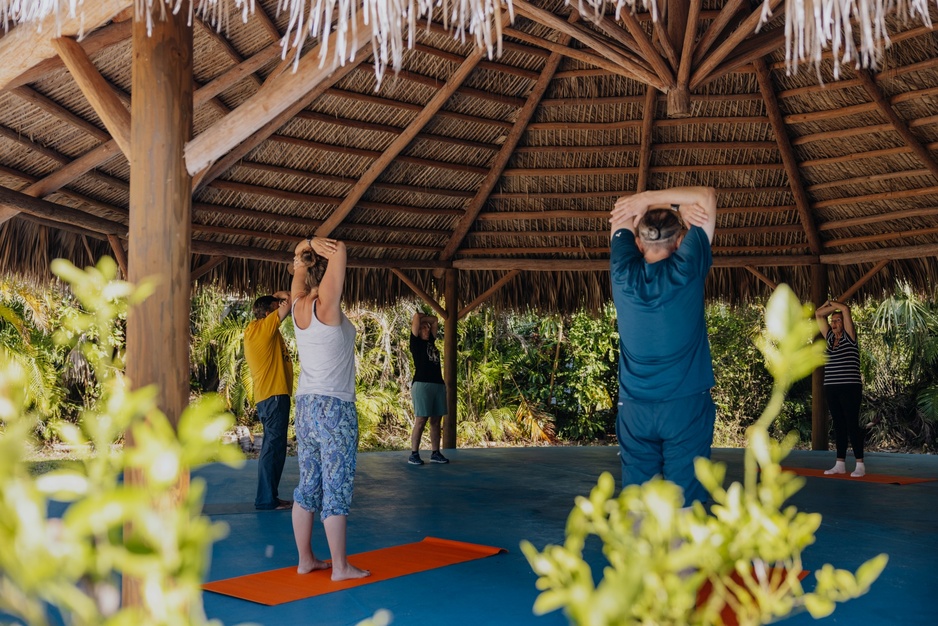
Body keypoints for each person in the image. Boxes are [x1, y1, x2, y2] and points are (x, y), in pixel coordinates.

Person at [609, 186, 718, 507]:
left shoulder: (622, 271)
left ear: (638, 242)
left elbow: (621, 209)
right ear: (680, 240)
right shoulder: (688, 267)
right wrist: (666, 204)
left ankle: (640, 557)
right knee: (685, 503)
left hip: (635, 408)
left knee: (639, 504)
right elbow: (707, 196)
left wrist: (643, 203)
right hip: (684, 406)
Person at [289, 235, 370, 581]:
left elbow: (297, 270)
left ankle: (306, 559)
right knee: (335, 487)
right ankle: (340, 566)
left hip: (305, 406)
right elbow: (339, 258)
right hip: (334, 408)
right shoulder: (326, 307)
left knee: (308, 485)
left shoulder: (297, 307)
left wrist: (304, 247)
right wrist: (334, 250)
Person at [244, 290, 294, 511]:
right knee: (273, 448)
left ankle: (270, 496)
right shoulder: (263, 328)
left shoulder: (257, 330)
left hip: (271, 396)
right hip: (273, 396)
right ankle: (266, 499)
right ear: (267, 313)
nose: (280, 312)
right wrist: (281, 295)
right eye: (275, 308)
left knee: (273, 447)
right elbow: (290, 301)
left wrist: (275, 298)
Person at [815, 300, 865, 477]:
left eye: (838, 320)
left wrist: (833, 303)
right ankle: (840, 463)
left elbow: (845, 309)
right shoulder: (829, 339)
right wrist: (827, 305)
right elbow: (818, 314)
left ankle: (859, 464)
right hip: (832, 387)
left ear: (845, 323)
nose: (834, 323)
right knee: (838, 425)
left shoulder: (850, 338)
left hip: (849, 387)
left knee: (851, 424)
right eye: (833, 320)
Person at [407, 312, 449, 465]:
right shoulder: (415, 343)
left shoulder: (431, 341)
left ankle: (435, 453)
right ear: (417, 331)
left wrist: (427, 322)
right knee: (421, 419)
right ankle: (414, 454)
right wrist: (421, 320)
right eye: (424, 327)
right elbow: (417, 317)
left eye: (428, 327)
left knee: (436, 420)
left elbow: (436, 320)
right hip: (422, 384)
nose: (427, 328)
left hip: (437, 383)